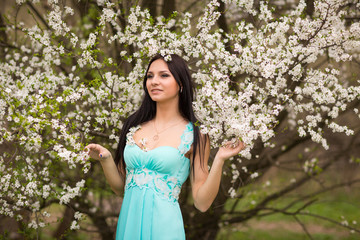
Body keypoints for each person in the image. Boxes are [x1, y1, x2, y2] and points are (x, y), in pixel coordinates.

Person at [85, 54, 245, 239]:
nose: (154, 81)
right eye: (150, 76)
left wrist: (219, 159)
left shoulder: (196, 134)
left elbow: (202, 202)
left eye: (164, 75)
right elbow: (121, 188)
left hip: (164, 229)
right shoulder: (133, 125)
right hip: (129, 226)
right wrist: (105, 160)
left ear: (181, 84)